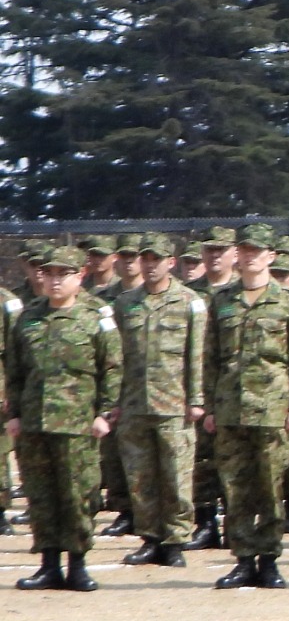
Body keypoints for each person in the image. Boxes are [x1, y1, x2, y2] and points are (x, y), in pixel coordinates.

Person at [205, 225, 289, 589]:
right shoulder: (222, 299)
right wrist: (209, 405)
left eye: (259, 251)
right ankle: (243, 559)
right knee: (236, 486)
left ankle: (269, 559)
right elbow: (210, 358)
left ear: (272, 256)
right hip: (231, 407)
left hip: (273, 408)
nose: (251, 256)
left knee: (270, 486)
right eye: (245, 250)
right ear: (237, 255)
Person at [5, 244, 120, 590]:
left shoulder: (97, 314)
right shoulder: (29, 315)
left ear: (79, 276)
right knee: (41, 495)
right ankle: (48, 564)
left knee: (77, 494)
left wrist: (104, 413)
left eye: (63, 274)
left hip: (77, 423)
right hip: (35, 422)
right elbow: (15, 370)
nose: (54, 280)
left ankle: (78, 564)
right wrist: (15, 413)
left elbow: (112, 368)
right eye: (49, 273)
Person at [108, 233, 205, 568]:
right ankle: (149, 538)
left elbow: (197, 353)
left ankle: (176, 540)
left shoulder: (189, 301)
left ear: (171, 262)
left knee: (177, 476)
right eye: (145, 259)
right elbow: (115, 356)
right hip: (134, 403)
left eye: (157, 259)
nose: (150, 265)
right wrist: (114, 400)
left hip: (174, 403)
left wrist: (196, 399)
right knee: (140, 477)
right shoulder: (125, 303)